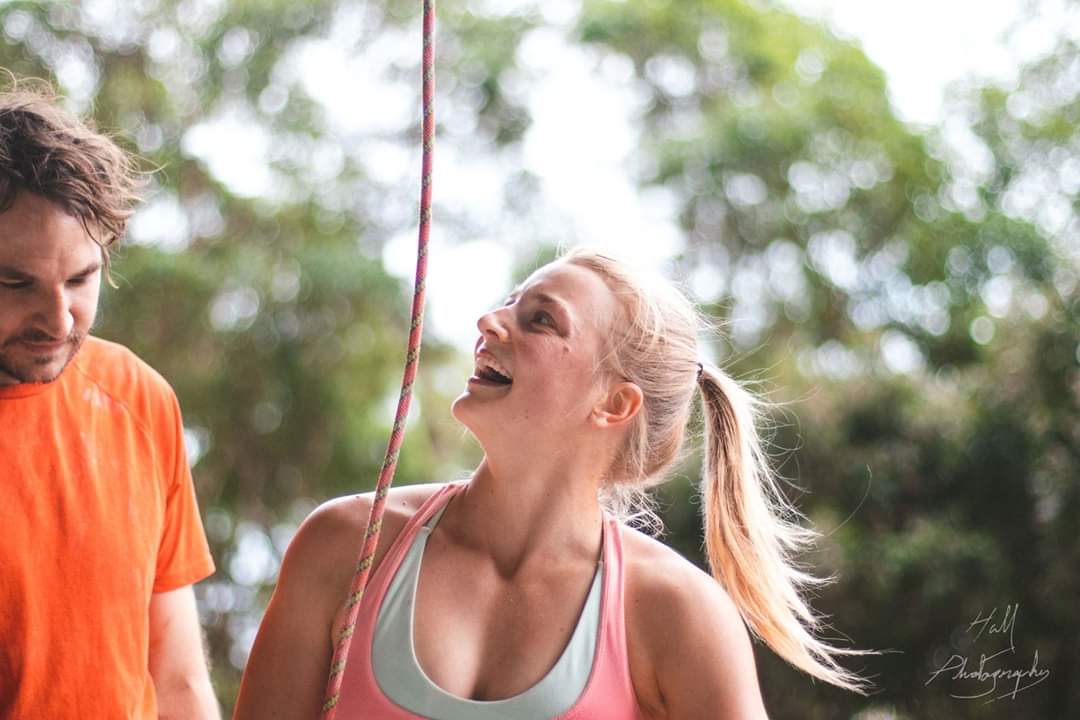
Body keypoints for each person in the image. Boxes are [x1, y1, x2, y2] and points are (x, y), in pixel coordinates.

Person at [235, 247, 873, 718]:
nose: (490, 321)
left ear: (614, 405)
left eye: (542, 320)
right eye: (511, 302)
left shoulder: (675, 613)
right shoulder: (347, 546)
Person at [0, 78, 220, 718]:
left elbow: (177, 676)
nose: (60, 320)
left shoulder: (139, 398)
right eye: (15, 283)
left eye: (80, 278)